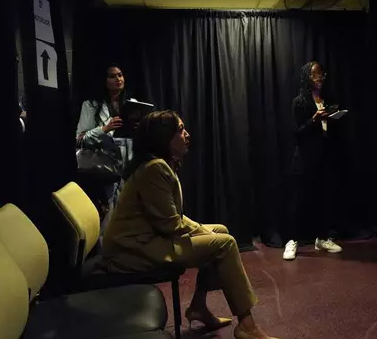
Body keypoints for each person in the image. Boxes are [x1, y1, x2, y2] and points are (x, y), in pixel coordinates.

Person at [100, 111, 277, 339]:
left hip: (146, 240)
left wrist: (203, 229)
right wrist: (201, 231)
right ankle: (247, 326)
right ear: (164, 137)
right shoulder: (154, 169)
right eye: (181, 130)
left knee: (220, 232)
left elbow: (173, 219)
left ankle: (198, 307)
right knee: (225, 244)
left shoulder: (160, 165)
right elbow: (171, 225)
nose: (187, 135)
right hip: (132, 250)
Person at [282, 61, 343, 261]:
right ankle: (292, 241)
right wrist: (313, 121)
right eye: (316, 75)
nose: (320, 78)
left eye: (322, 74)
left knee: (324, 199)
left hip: (324, 157)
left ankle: (322, 238)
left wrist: (335, 117)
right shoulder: (300, 102)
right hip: (305, 159)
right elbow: (297, 133)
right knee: (298, 201)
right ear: (307, 77)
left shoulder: (327, 99)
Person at [76, 64, 133, 237]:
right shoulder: (91, 105)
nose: (118, 79)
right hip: (103, 172)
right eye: (112, 76)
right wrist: (104, 129)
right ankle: (102, 259)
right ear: (104, 81)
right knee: (105, 224)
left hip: (128, 171)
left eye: (120, 75)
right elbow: (80, 139)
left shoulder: (131, 105)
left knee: (126, 222)